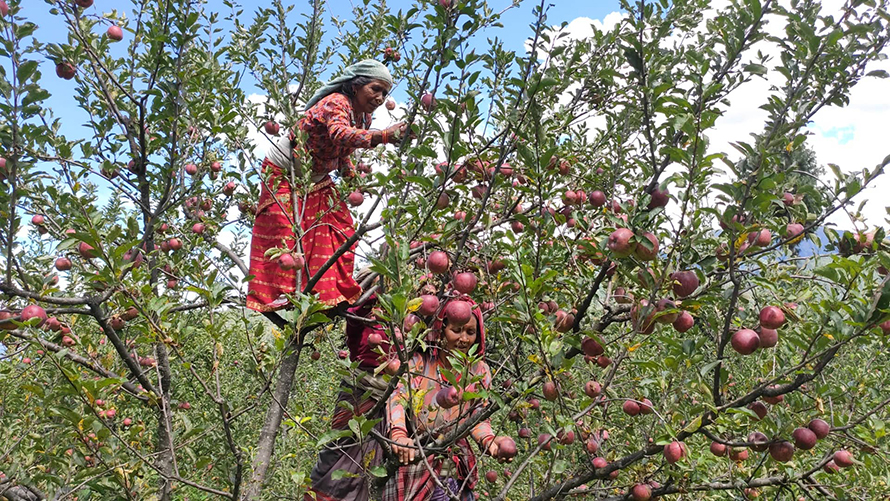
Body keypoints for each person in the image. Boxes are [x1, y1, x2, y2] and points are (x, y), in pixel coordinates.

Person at [246, 59, 412, 312]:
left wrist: (351, 177)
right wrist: (384, 136)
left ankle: (327, 292)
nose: (380, 97)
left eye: (385, 93)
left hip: (317, 176)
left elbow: (342, 150)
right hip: (284, 171)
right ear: (355, 86)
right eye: (375, 89)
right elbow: (339, 134)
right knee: (284, 230)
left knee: (340, 226)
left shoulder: (364, 118)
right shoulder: (336, 102)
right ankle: (282, 294)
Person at [383, 296, 512, 501]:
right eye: (456, 330)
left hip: (455, 460)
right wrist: (399, 434)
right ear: (441, 331)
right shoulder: (420, 362)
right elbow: (398, 396)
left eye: (470, 332)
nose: (464, 339)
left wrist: (489, 440)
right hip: (419, 454)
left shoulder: (479, 371)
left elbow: (477, 417)